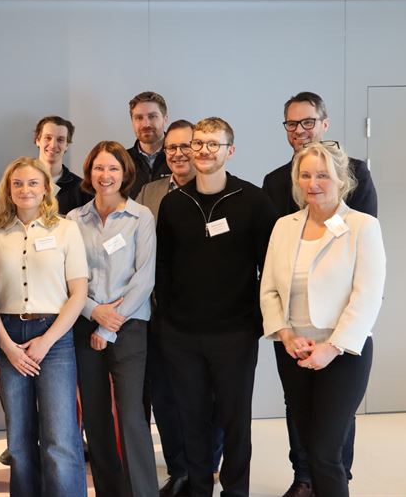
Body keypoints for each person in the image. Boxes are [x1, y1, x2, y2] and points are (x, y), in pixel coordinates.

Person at [262, 91, 378, 497]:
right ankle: (304, 481)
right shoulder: (284, 225)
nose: (313, 183)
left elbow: (366, 294)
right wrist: (285, 334)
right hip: (294, 346)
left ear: (341, 180)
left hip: (341, 349)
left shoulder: (362, 225)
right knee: (309, 442)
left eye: (322, 176)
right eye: (306, 176)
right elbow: (269, 287)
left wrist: (332, 347)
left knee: (328, 452)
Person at [155, 117, 277, 497]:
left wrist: (256, 321)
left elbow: (270, 268)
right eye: (198, 143)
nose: (204, 150)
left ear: (230, 151)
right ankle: (198, 489)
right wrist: (169, 322)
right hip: (182, 335)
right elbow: (163, 268)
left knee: (235, 420)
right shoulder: (174, 203)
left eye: (213, 144)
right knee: (191, 419)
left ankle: (235, 491)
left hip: (235, 333)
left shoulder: (254, 201)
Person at [0, 157, 88, 497]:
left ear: (46, 188)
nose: (25, 189)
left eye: (32, 183)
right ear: (8, 189)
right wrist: (7, 347)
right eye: (17, 183)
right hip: (9, 339)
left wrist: (46, 341)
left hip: (54, 338)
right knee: (19, 440)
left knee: (60, 437)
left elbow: (79, 293)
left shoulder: (66, 229)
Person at [67, 141, 159, 497]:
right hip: (84, 322)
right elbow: (67, 276)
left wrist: (108, 324)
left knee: (131, 414)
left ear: (125, 174)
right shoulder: (74, 220)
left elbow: (144, 279)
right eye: (99, 168)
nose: (105, 175)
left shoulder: (140, 217)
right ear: (89, 173)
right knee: (95, 415)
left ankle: (143, 493)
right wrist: (93, 311)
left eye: (113, 168)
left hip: (129, 324)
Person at [137, 119, 222, 496]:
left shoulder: (216, 189)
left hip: (209, 316)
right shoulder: (150, 192)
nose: (178, 154)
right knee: (166, 396)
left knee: (211, 396)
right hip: (160, 312)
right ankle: (180, 470)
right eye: (171, 148)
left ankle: (208, 464)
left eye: (185, 146)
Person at [34, 115, 93, 215]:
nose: (53, 145)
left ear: (67, 145)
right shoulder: (20, 182)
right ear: (37, 141)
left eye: (60, 140)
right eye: (48, 138)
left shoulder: (82, 190)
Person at [126, 91, 171, 198]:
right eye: (139, 118)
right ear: (132, 121)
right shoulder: (122, 161)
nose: (146, 124)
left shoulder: (180, 158)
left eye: (152, 116)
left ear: (165, 119)